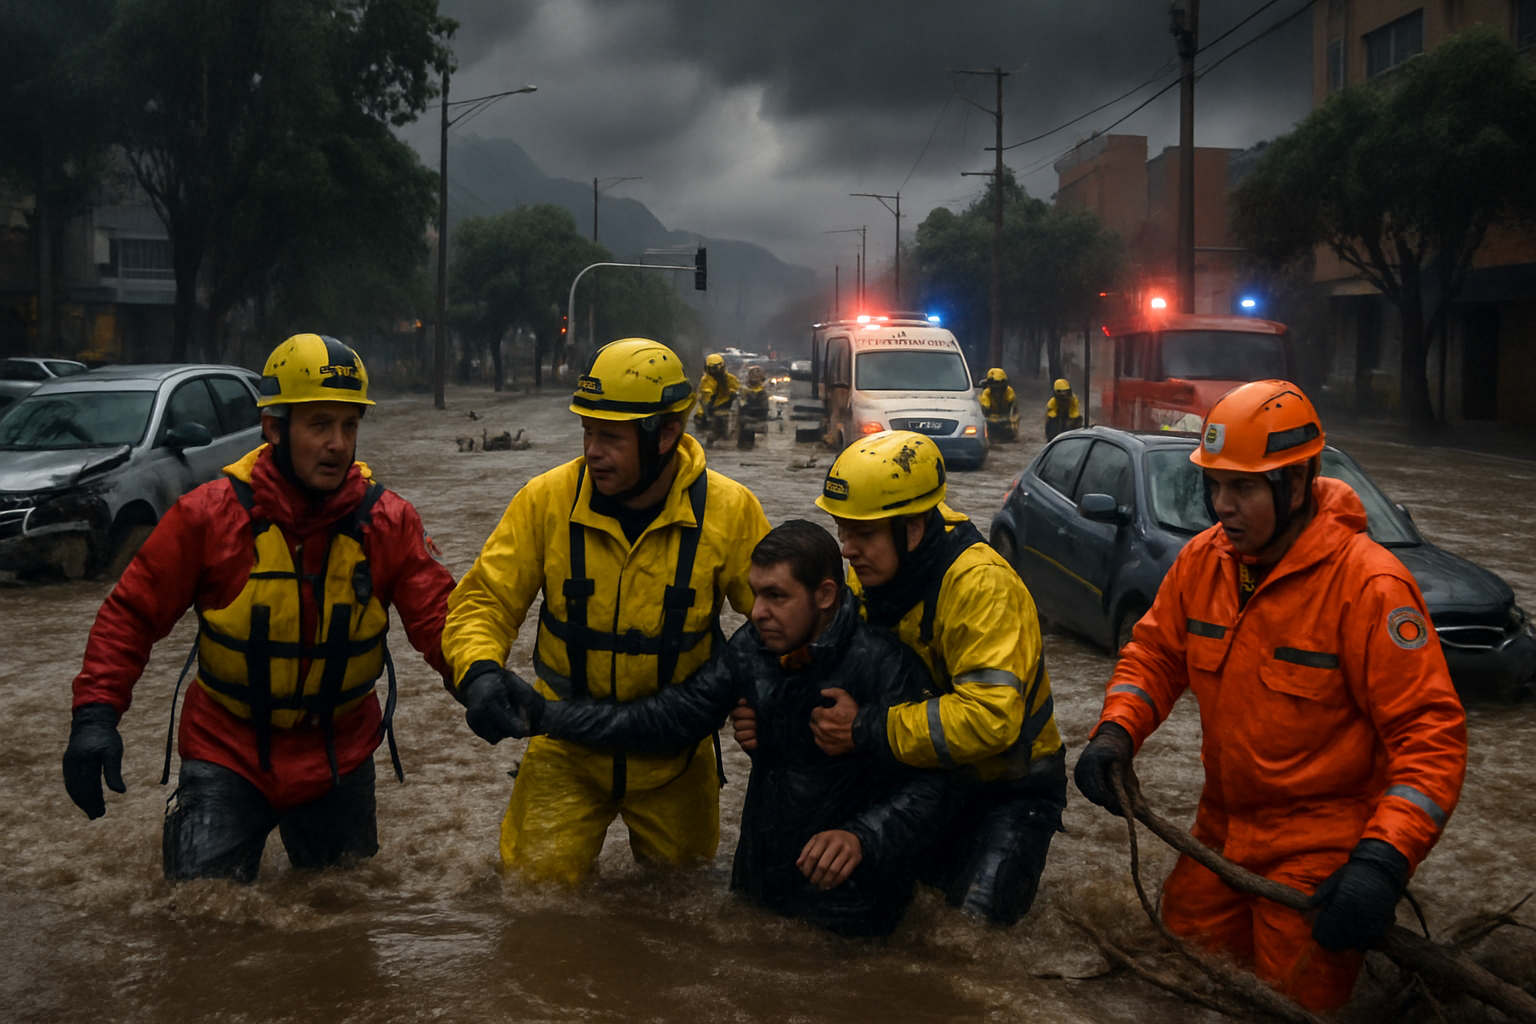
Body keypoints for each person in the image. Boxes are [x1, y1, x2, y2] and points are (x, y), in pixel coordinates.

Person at [1073, 380, 1466, 1013]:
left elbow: (1430, 738)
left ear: (1298, 482)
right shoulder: (1203, 562)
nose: (1221, 506)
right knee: (1178, 984)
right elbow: (1154, 655)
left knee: (1292, 1006)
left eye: (1243, 488)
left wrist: (1383, 862)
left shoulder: (1370, 587)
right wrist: (1116, 732)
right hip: (1222, 831)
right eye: (1214, 485)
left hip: (1320, 853)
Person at [62, 333, 455, 882]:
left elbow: (441, 622)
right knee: (202, 924)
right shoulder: (208, 517)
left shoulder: (389, 522)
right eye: (320, 425)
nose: (339, 444)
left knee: (342, 927)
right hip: (227, 753)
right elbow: (131, 614)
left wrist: (479, 679)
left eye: (349, 426)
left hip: (337, 756)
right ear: (274, 428)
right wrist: (96, 717)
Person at [494, 520, 950, 936]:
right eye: (755, 594)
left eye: (777, 596)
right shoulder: (751, 650)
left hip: (855, 907)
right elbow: (669, 717)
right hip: (757, 891)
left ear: (826, 595)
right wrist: (546, 716)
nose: (756, 612)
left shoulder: (884, 665)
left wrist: (862, 836)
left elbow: (935, 785)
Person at [443, 337, 770, 885]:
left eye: (611, 437)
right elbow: (484, 601)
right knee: (533, 908)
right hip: (563, 752)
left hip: (676, 759)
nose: (593, 451)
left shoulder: (731, 511)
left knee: (682, 913)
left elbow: (779, 623)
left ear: (666, 435)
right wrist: (477, 672)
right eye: (587, 432)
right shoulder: (545, 500)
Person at [797, 430, 1068, 927]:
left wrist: (866, 729)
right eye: (842, 529)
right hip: (925, 782)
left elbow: (991, 720)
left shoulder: (982, 587)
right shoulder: (869, 574)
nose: (847, 548)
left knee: (967, 938)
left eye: (863, 534)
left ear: (914, 528)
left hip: (1008, 793)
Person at [694, 352, 738, 447]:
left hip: (725, 408)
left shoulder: (729, 378)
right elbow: (703, 399)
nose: (715, 373)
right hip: (711, 410)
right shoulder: (706, 380)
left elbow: (739, 390)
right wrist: (700, 415)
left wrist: (732, 392)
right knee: (710, 433)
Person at [978, 367, 1019, 443]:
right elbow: (986, 411)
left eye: (1000, 384)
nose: (998, 387)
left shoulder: (1009, 392)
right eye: (995, 384)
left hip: (1006, 420)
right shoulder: (986, 394)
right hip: (991, 422)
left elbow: (1013, 413)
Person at [736, 365, 770, 451]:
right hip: (747, 418)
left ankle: (746, 446)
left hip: (756, 418)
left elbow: (764, 409)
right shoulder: (746, 391)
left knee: (745, 425)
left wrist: (749, 408)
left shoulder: (761, 392)